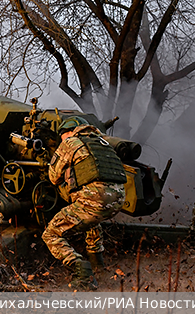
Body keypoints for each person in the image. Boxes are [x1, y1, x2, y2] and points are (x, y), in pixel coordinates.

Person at [42, 116, 127, 290]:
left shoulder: (71, 142)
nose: (61, 140)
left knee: (51, 235)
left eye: (62, 136)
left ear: (69, 131)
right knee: (91, 221)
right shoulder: (102, 142)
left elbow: (53, 177)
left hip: (96, 199)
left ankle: (82, 273)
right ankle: (98, 265)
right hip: (118, 200)